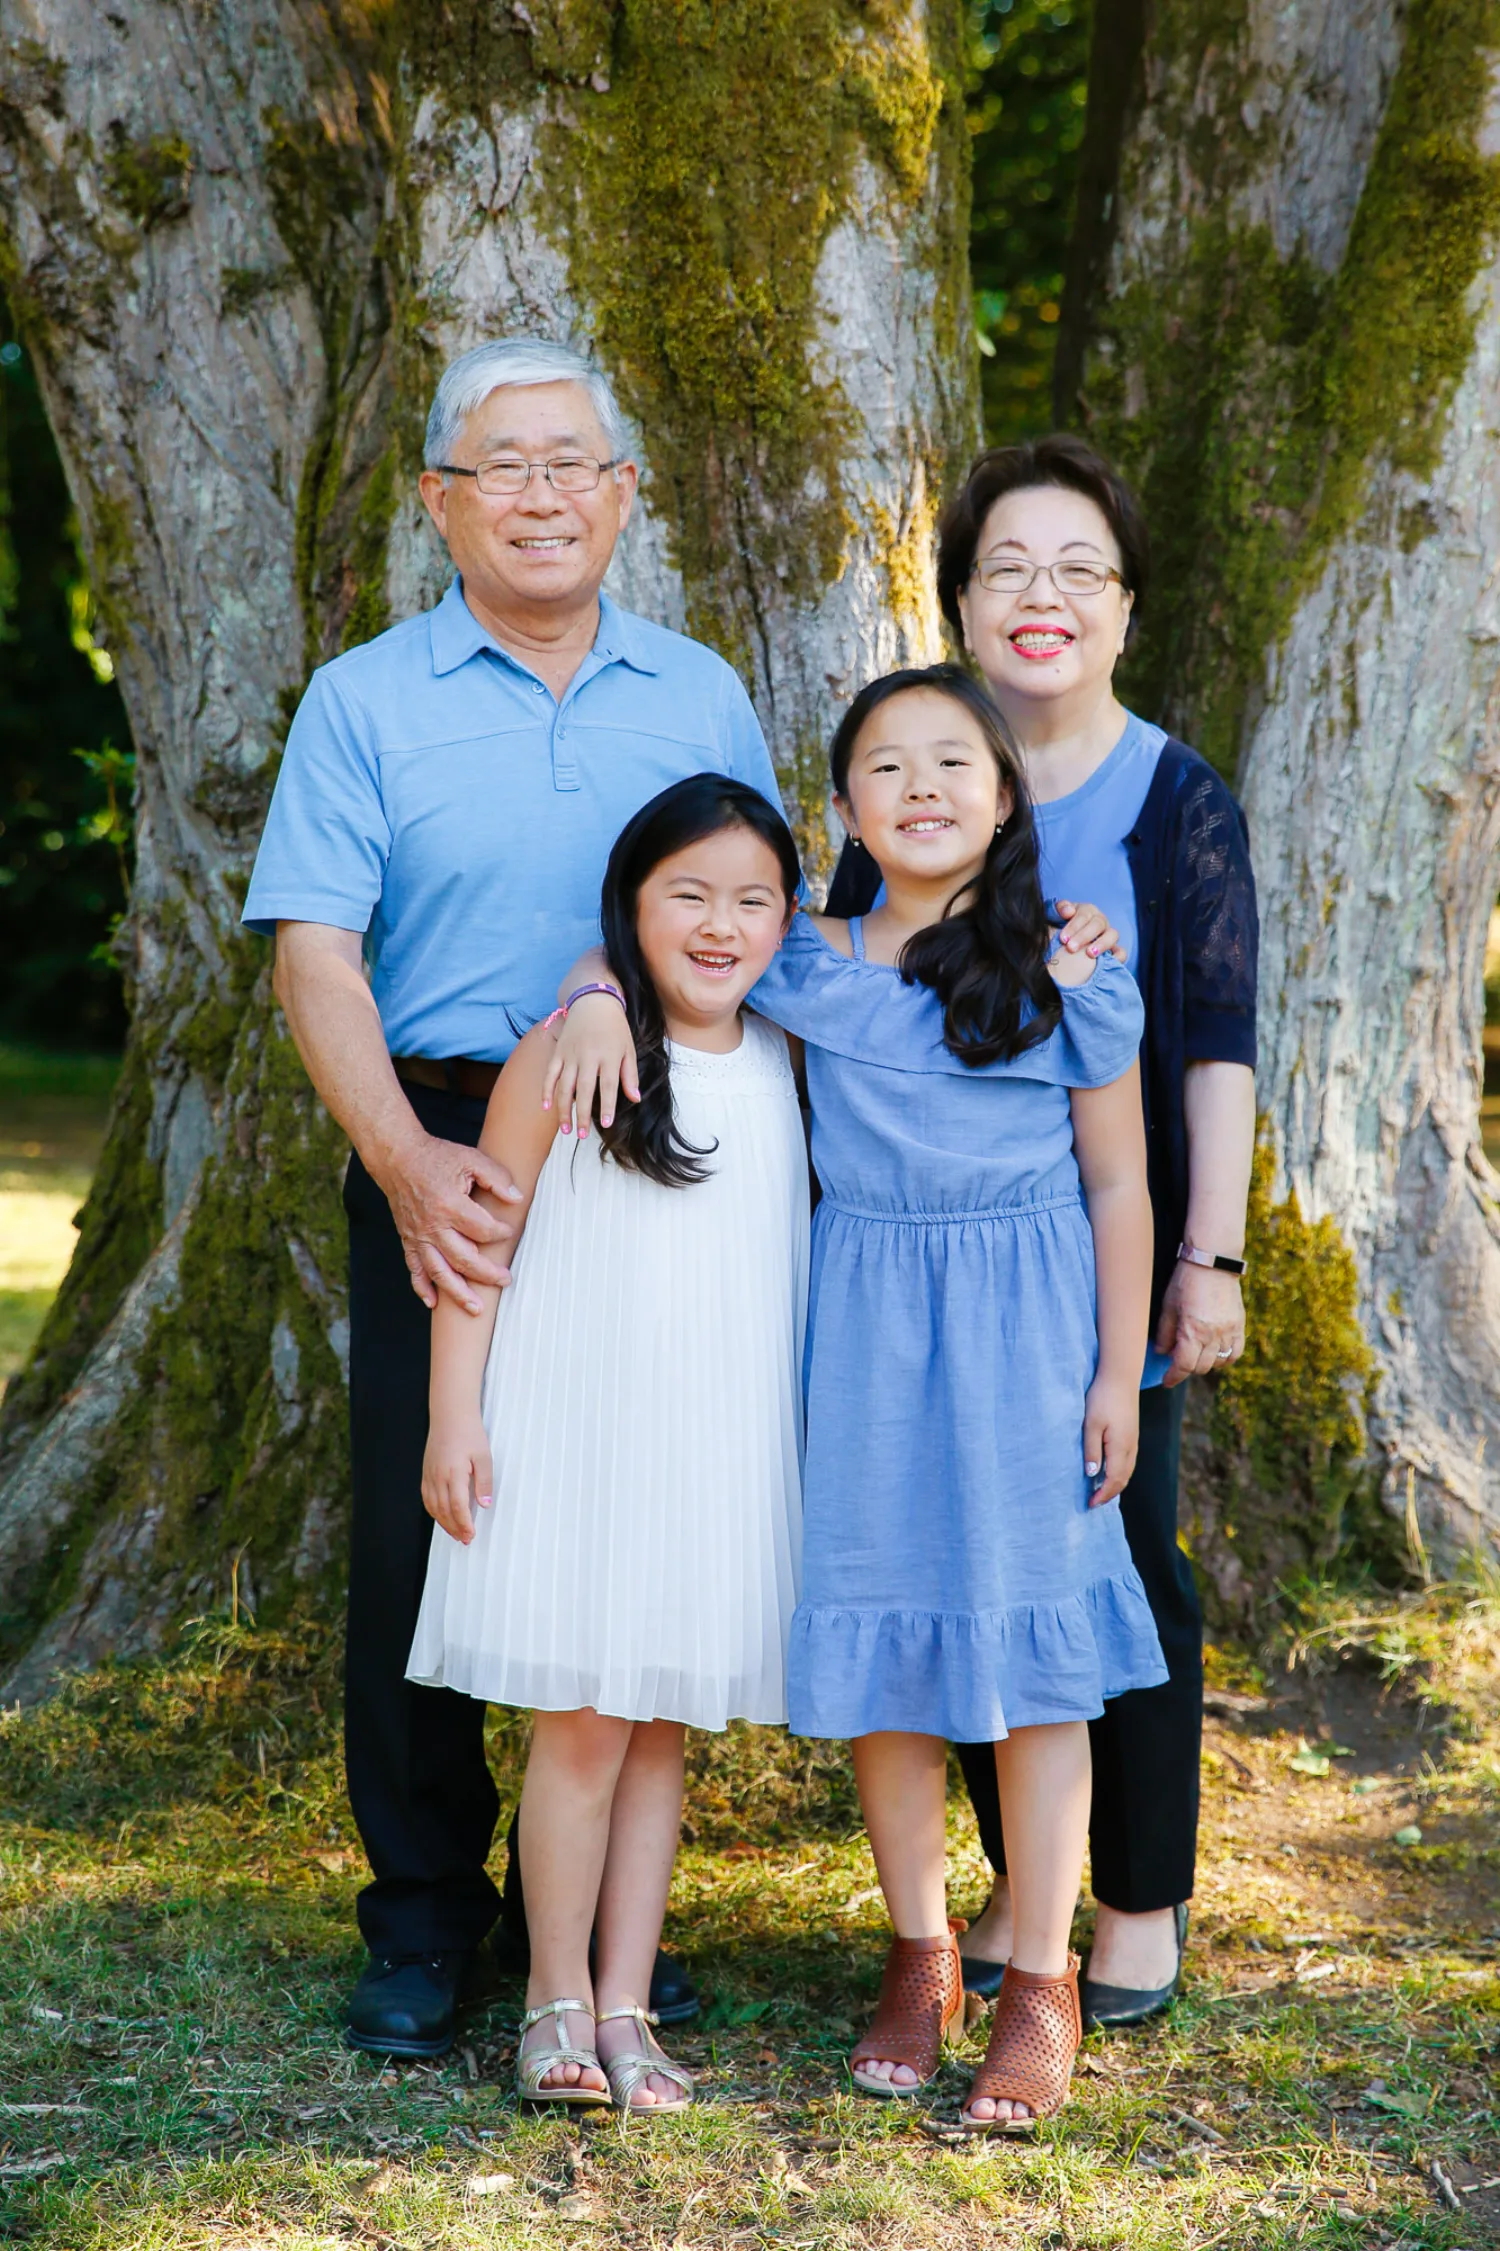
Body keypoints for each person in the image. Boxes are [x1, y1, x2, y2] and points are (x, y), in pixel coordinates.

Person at [241, 336, 789, 2058]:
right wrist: (409, 1162)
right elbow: (315, 955)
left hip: (662, 1145)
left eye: (575, 462)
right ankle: (425, 1917)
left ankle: (610, 1936)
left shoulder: (698, 690)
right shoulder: (364, 697)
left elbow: (755, 911)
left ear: (624, 491)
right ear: (440, 502)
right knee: (435, 1521)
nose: (542, 493)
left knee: (631, 1512)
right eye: (504, 465)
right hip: (451, 1128)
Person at [552, 667, 1167, 2131]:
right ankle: (921, 1946)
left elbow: (1121, 1178)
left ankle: (1038, 1980)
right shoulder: (808, 959)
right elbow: (664, 932)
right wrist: (587, 989)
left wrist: (1114, 1371)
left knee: (1035, 1660)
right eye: (885, 767)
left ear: (1005, 796)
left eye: (955, 761)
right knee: (890, 1637)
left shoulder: (1072, 970)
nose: (923, 787)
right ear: (844, 809)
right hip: (868, 1323)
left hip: (1027, 1328)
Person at [829, 436, 1259, 2029]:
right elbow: (830, 978)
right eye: (1009, 566)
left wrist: (1208, 1258)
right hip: (915, 1266)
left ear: (1125, 610)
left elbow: (1217, 1041)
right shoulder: (912, 770)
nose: (1043, 596)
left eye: (1081, 569)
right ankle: (1011, 1917)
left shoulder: (1173, 794)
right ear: (958, 595)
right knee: (966, 1560)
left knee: (1116, 1557)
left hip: (1101, 1245)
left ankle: (1133, 1901)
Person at [409, 778, 807, 2113]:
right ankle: (553, 1998)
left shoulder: (787, 1057)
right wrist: (451, 1414)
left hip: (713, 1441)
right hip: (581, 1428)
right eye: (687, 894)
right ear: (628, 909)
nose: (720, 923)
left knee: (659, 1731)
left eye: (753, 899)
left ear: (788, 918)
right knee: (581, 1725)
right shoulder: (573, 1051)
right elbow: (481, 1249)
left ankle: (629, 2003)